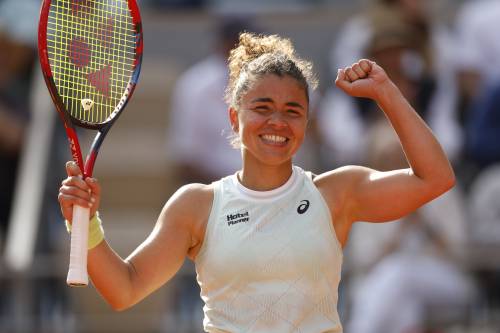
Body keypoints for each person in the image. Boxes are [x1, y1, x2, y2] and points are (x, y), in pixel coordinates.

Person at [58, 32, 455, 332]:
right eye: (262, 108)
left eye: (292, 111)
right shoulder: (196, 205)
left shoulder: (337, 194)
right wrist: (86, 224)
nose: (277, 123)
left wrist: (386, 91)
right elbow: (124, 290)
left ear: (306, 123)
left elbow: (435, 178)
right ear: (234, 118)